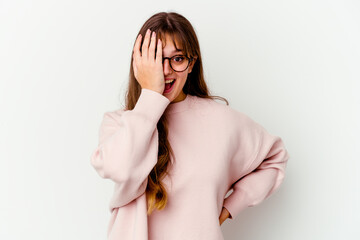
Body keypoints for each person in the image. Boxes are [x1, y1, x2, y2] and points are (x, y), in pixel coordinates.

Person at [90, 11, 289, 240]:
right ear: (140, 62)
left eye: (177, 59)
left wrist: (228, 209)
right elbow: (121, 168)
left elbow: (275, 157)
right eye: (156, 58)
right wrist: (150, 97)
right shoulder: (119, 124)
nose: (165, 71)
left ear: (191, 64)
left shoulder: (221, 120)